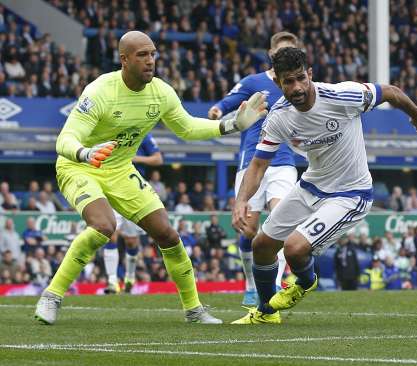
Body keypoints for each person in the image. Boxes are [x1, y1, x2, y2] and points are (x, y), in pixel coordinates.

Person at [34, 31, 267, 325]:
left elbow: (186, 128)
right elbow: (64, 139)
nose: (150, 61)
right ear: (124, 60)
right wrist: (84, 153)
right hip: (78, 166)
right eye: (142, 55)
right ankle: (51, 296)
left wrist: (230, 124)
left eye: (153, 54)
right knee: (103, 226)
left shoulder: (161, 92)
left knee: (167, 234)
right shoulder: (100, 91)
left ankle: (194, 310)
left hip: (119, 169)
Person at [231, 47, 417, 324]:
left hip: (351, 194)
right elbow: (257, 165)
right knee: (262, 245)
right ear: (278, 83)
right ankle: (266, 313)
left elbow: (391, 91)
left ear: (310, 74)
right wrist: (241, 200)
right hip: (312, 186)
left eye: (301, 77)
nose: (297, 87)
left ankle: (305, 281)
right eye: (288, 81)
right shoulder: (279, 117)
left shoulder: (342, 95)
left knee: (293, 249)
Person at [208, 32, 300, 306]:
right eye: (281, 52)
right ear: (271, 53)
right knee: (248, 230)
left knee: (281, 219)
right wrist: (217, 110)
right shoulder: (254, 82)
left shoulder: (298, 86)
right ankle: (251, 283)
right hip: (251, 162)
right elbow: (227, 102)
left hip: (282, 161)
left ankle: (270, 288)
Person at [103, 133, 163, 294]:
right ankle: (112, 282)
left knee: (131, 241)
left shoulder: (143, 134)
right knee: (111, 233)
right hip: (113, 189)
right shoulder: (112, 132)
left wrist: (136, 159)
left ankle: (130, 277)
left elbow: (158, 159)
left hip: (135, 193)